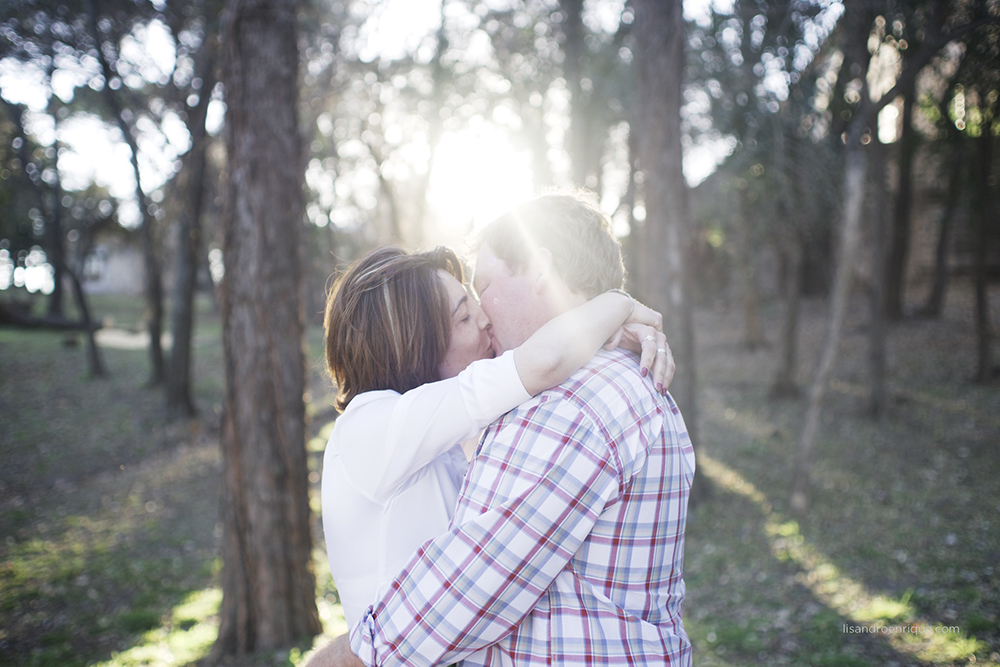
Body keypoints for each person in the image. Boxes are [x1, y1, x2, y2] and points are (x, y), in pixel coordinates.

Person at [309, 193, 695, 667]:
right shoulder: (376, 426)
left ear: (538, 268)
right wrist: (615, 308)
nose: (485, 316)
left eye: (482, 288)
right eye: (465, 314)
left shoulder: (572, 404)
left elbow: (464, 595)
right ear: (415, 341)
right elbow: (539, 361)